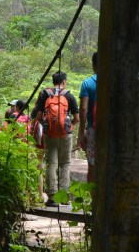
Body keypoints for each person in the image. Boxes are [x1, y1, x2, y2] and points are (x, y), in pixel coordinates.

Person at [33, 71, 79, 205]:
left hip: (50, 135)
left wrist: (46, 127)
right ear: (64, 81)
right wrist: (70, 127)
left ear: (53, 81)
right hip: (65, 135)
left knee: (51, 164)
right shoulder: (69, 95)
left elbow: (38, 116)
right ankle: (64, 198)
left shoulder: (44, 94)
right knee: (64, 164)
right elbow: (77, 118)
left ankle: (52, 197)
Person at [78, 51, 98, 183]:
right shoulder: (114, 81)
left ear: (93, 64)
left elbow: (84, 108)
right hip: (112, 131)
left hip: (93, 130)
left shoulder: (87, 83)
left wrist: (81, 133)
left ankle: (94, 201)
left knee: (92, 167)